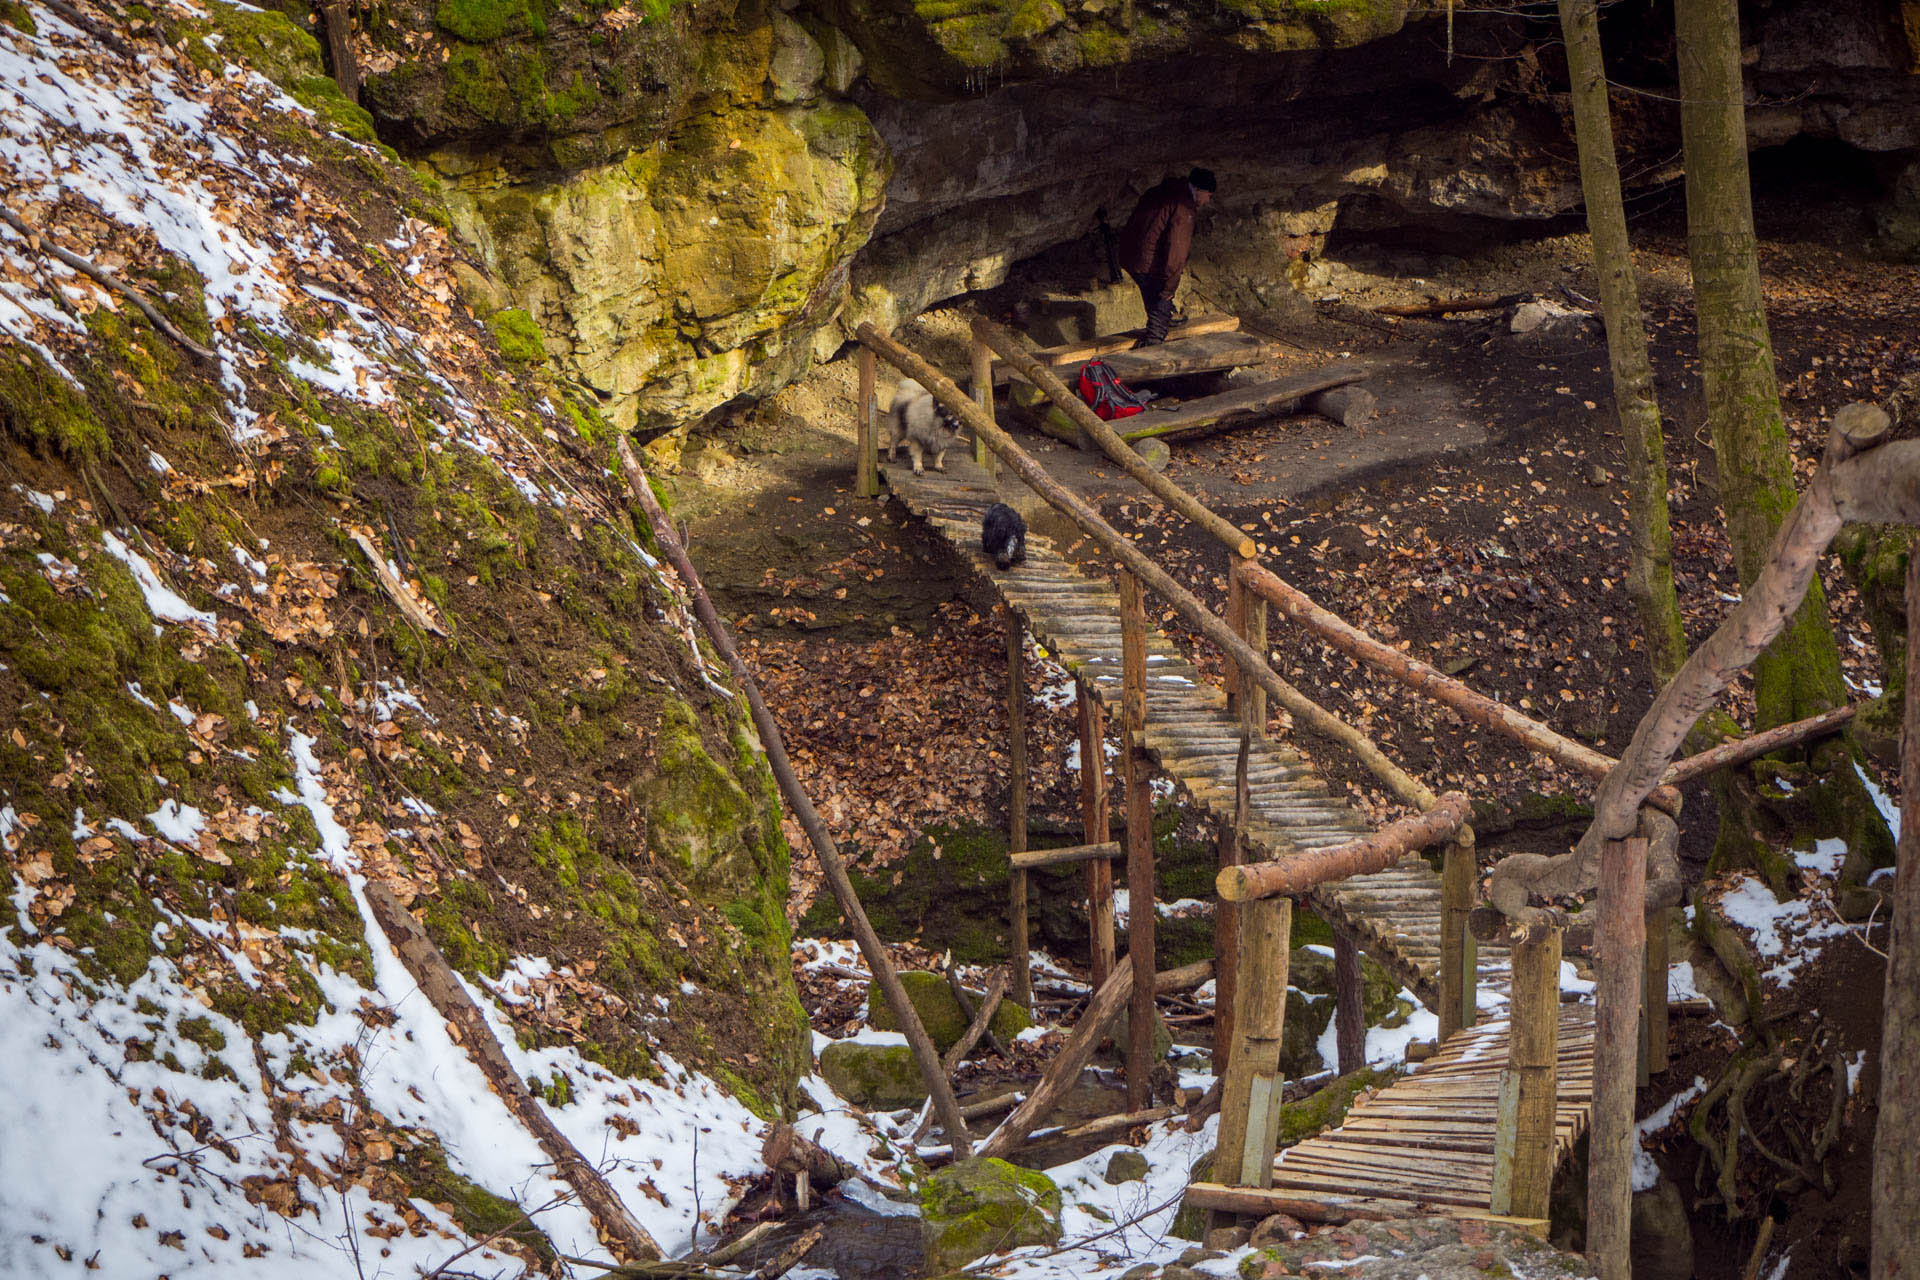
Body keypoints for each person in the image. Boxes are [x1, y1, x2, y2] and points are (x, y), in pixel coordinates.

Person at [1117, 167, 1215, 347]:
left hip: (1130, 253)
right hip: (1147, 262)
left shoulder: (1163, 191)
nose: (1208, 200)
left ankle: (1165, 315)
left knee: (1156, 299)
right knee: (1159, 306)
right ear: (1199, 190)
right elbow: (1176, 253)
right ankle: (1152, 350)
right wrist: (1168, 291)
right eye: (1209, 195)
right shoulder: (1185, 208)